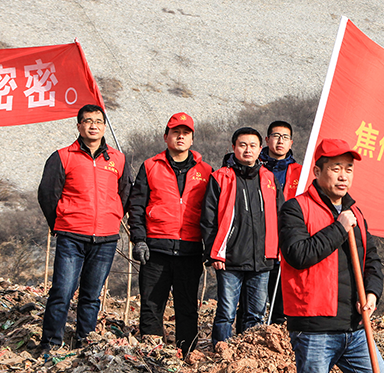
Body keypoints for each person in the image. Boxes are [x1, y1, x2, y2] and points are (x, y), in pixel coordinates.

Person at [277, 138, 384, 373]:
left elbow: (373, 259)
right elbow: (299, 254)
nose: (343, 176)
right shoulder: (296, 209)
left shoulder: (356, 212)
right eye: (336, 168)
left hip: (355, 327)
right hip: (314, 325)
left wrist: (372, 292)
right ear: (319, 171)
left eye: (349, 169)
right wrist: (338, 229)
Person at [37, 104, 130, 354]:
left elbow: (125, 193)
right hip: (71, 236)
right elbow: (47, 193)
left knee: (92, 295)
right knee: (62, 291)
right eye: (88, 121)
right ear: (78, 125)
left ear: (104, 126)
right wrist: (59, 221)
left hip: (106, 238)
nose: (93, 126)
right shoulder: (63, 156)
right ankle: (51, 344)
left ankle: (84, 344)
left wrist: (114, 215)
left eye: (98, 121)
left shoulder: (118, 159)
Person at [127, 113, 212, 352]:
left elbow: (211, 212)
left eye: (186, 133)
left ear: (193, 139)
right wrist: (139, 240)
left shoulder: (205, 171)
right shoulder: (150, 166)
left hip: (190, 249)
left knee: (187, 307)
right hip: (156, 249)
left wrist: (210, 247)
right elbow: (137, 206)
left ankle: (187, 354)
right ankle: (152, 354)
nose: (181, 137)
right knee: (152, 304)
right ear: (166, 137)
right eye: (176, 132)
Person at [200, 127, 283, 343]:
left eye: (253, 146)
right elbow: (208, 220)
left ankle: (247, 360)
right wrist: (213, 253)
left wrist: (280, 248)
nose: (248, 150)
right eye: (242, 145)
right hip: (229, 258)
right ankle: (222, 356)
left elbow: (281, 216)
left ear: (260, 149)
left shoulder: (269, 179)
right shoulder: (221, 177)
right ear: (233, 147)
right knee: (226, 314)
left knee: (255, 315)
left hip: (262, 259)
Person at [258, 120, 303, 325]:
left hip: (287, 242)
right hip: (258, 241)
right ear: (266, 140)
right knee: (254, 302)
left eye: (285, 137)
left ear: (291, 142)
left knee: (282, 303)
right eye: (276, 136)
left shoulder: (300, 173)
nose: (280, 141)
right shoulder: (254, 168)